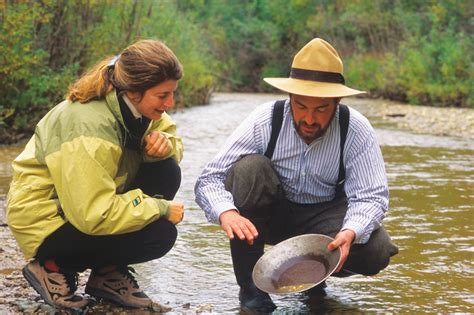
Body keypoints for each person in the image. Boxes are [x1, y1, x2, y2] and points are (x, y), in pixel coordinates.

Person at [194, 38, 398, 313]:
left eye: (321, 109)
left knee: (378, 249)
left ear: (336, 102)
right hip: (269, 216)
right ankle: (251, 291)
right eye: (301, 106)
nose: (309, 119)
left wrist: (351, 231)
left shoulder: (356, 129)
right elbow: (210, 178)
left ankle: (314, 276)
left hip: (324, 222)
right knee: (249, 170)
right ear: (289, 97)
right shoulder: (264, 119)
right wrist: (226, 213)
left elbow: (371, 197)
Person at [6, 39, 185, 310]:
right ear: (135, 91)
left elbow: (173, 139)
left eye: (172, 93)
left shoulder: (137, 106)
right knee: (159, 234)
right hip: (45, 220)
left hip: (80, 207)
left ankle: (107, 274)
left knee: (166, 169)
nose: (169, 103)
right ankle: (51, 267)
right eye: (163, 96)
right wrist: (159, 207)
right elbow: (93, 214)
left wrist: (163, 146)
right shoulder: (87, 124)